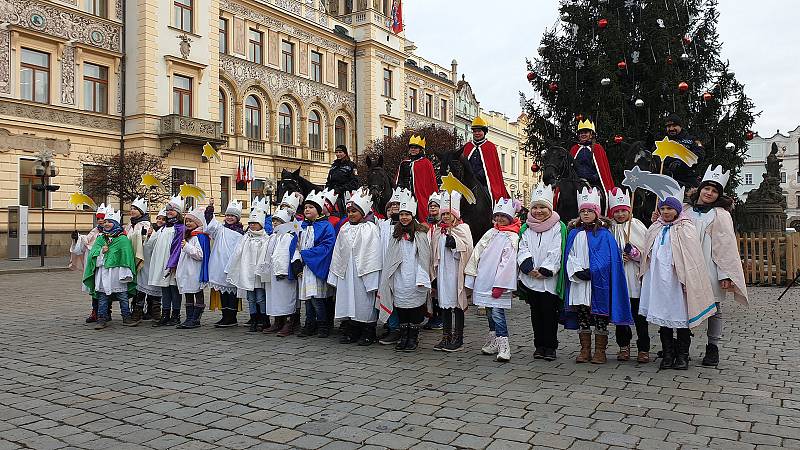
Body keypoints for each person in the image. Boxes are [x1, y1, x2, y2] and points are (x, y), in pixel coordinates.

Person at [639, 194, 716, 370]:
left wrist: (687, 278)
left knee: (680, 316)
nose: (665, 212)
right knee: (663, 316)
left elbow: (691, 255)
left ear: (677, 210)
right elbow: (648, 252)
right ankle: (667, 354)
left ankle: (682, 355)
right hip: (658, 279)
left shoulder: (686, 227)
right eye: (663, 208)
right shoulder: (655, 228)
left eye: (669, 208)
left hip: (677, 280)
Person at [686, 166, 748, 366]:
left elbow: (726, 246)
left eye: (714, 191)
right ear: (700, 189)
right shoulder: (685, 210)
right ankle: (681, 345)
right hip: (687, 265)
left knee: (714, 308)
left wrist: (725, 274)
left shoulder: (721, 214)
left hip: (710, 266)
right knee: (683, 305)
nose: (709, 193)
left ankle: (712, 347)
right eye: (707, 189)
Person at [563, 187, 633, 364]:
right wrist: (577, 270)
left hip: (598, 282)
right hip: (579, 281)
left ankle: (600, 351)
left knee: (600, 315)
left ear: (597, 213)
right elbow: (569, 255)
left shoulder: (604, 235)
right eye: (583, 211)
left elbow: (609, 259)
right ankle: (585, 349)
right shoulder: (574, 233)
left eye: (589, 211)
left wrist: (594, 271)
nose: (586, 214)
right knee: (583, 315)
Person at [465, 198, 520, 362]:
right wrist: (473, 273)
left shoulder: (512, 237)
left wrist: (501, 284)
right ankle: (494, 340)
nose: (500, 219)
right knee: (489, 312)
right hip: (484, 279)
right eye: (498, 216)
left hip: (497, 283)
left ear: (510, 217)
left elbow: (508, 262)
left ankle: (504, 345)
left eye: (504, 216)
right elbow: (477, 252)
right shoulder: (491, 233)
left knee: (497, 313)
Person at [517, 184, 567, 361]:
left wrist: (546, 270)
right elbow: (522, 247)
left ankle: (550, 346)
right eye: (535, 207)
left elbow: (557, 249)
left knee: (549, 313)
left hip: (548, 279)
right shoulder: (526, 228)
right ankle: (539, 345)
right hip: (531, 277)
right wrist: (528, 267)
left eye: (542, 207)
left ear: (549, 208)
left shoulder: (557, 227)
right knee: (535, 312)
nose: (538, 211)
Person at [378, 192, 432, 351]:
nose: (404, 217)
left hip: (416, 275)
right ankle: (403, 335)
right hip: (400, 276)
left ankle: (413, 337)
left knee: (415, 307)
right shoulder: (396, 234)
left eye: (407, 214)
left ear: (412, 215)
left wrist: (422, 276)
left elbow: (425, 255)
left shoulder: (421, 233)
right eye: (401, 214)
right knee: (401, 306)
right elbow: (390, 257)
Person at [329, 188, 383, 345]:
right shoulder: (344, 228)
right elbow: (338, 251)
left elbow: (374, 252)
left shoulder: (370, 229)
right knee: (348, 300)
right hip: (347, 270)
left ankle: (368, 330)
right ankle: (353, 328)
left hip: (363, 272)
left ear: (363, 212)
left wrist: (372, 274)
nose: (351, 214)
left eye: (354, 211)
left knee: (363, 301)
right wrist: (337, 271)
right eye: (349, 211)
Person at [606, 188, 650, 363]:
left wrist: (634, 254)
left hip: (636, 278)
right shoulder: (609, 229)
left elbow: (648, 251)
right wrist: (617, 257)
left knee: (640, 317)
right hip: (619, 279)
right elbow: (605, 252)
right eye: (617, 211)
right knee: (621, 316)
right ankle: (623, 346)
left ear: (629, 211)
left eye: (624, 210)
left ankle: (643, 348)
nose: (621, 214)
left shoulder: (638, 226)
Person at [431, 191, 473, 352]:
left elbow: (468, 249)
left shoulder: (463, 228)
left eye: (449, 213)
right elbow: (434, 252)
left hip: (456, 273)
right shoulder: (438, 231)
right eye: (444, 214)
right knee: (445, 304)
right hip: (443, 273)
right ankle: (446, 336)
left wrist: (455, 244)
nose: (446, 217)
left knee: (457, 304)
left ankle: (458, 337)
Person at [82, 207, 137, 330]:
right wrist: (101, 252)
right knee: (102, 296)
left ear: (116, 223)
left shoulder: (123, 239)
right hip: (104, 272)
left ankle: (126, 317)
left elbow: (127, 256)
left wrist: (126, 273)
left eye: (109, 221)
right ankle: (102, 319)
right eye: (105, 222)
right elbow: (93, 254)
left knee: (122, 296)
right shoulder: (101, 238)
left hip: (118, 273)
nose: (106, 224)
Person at [297, 191, 337, 338]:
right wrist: (296, 260)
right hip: (305, 268)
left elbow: (328, 246)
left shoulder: (326, 226)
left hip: (316, 267)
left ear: (318, 210)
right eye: (305, 207)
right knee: (307, 298)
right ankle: (309, 323)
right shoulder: (300, 226)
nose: (307, 209)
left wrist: (306, 255)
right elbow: (295, 244)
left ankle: (323, 325)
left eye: (311, 207)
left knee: (317, 298)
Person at [226, 204, 272, 332]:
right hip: (247, 273)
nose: (252, 225)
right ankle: (254, 318)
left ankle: (264, 319)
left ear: (261, 224)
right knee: (250, 298)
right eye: (250, 223)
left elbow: (266, 256)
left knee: (260, 298)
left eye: (255, 223)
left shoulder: (265, 239)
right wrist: (232, 268)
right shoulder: (246, 238)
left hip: (258, 274)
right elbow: (237, 253)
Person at [204, 199, 245, 328]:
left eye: (232, 216)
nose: (229, 218)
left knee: (232, 293)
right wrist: (210, 208)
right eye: (227, 215)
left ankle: (232, 317)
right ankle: (225, 316)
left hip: (232, 265)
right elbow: (210, 222)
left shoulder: (241, 233)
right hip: (219, 264)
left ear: (237, 218)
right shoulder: (220, 229)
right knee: (223, 292)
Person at [259, 209, 300, 335]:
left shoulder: (289, 236)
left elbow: (293, 253)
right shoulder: (272, 237)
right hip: (272, 272)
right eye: (274, 221)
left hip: (284, 273)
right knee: (274, 298)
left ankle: (290, 323)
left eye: (278, 221)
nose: (275, 223)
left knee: (286, 297)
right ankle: (278, 321)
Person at [149, 196, 186, 327]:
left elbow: (177, 247)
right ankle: (165, 315)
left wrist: (172, 264)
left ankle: (175, 315)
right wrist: (150, 235)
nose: (169, 212)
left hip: (172, 263)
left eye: (172, 210)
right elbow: (154, 244)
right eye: (168, 210)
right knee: (164, 289)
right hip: (161, 261)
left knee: (174, 289)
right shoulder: (164, 227)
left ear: (178, 212)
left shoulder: (180, 227)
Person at [174, 207, 211, 329]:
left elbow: (200, 255)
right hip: (186, 270)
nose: (188, 223)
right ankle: (189, 318)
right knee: (188, 294)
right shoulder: (188, 236)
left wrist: (187, 247)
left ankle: (195, 319)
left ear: (198, 223)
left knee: (197, 293)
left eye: (191, 221)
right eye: (187, 221)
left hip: (195, 270)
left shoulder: (200, 236)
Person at [70, 203, 107, 323]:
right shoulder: (94, 231)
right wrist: (77, 237)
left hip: (105, 265)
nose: (101, 221)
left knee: (105, 288)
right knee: (94, 288)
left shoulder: (113, 232)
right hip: (93, 265)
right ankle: (95, 311)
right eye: (99, 219)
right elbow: (84, 245)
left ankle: (106, 312)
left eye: (103, 218)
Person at [377, 188, 404, 346]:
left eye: (398, 205)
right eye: (391, 205)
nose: (394, 207)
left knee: (399, 298)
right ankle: (391, 326)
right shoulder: (382, 225)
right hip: (384, 266)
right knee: (387, 297)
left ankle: (399, 329)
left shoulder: (406, 226)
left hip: (400, 268)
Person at [463, 116, 509, 202]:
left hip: (484, 182)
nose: (477, 133)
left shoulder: (490, 147)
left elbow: (492, 168)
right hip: (468, 182)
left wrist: (478, 175)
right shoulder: (467, 146)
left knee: (489, 198)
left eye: (479, 131)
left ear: (484, 132)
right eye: (475, 131)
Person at [124, 198, 152, 326]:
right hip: (131, 256)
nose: (132, 211)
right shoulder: (130, 224)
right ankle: (136, 308)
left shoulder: (145, 224)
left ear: (141, 211)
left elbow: (146, 240)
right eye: (132, 208)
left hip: (143, 257)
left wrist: (144, 235)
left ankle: (141, 310)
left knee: (143, 284)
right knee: (136, 284)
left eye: (135, 209)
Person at [396, 135, 438, 221]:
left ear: (420, 150)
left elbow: (431, 182)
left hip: (421, 195)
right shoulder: (404, 163)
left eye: (416, 148)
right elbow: (399, 178)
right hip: (405, 194)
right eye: (411, 147)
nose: (413, 149)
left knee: (423, 216)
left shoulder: (426, 163)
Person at [570, 119, 615, 194]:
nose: (583, 134)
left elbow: (602, 169)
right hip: (576, 183)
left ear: (591, 134)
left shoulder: (597, 148)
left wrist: (594, 177)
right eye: (581, 133)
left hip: (593, 183)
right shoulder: (574, 149)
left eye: (585, 132)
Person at [660, 113, 705, 188]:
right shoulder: (662, 141)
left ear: (680, 126)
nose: (671, 129)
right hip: (666, 177)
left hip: (687, 177)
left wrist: (681, 163)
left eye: (674, 126)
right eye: (668, 126)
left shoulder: (691, 140)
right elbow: (656, 158)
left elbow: (700, 154)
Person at [139, 209, 165, 322]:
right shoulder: (152, 229)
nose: (160, 221)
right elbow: (146, 246)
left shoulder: (166, 230)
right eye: (158, 218)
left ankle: (155, 311)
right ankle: (142, 310)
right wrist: (148, 236)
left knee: (156, 288)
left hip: (159, 263)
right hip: (148, 262)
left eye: (163, 219)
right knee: (145, 285)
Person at [424, 192, 443, 330]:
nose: (432, 208)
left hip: (440, 262)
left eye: (435, 206)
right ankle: (432, 315)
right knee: (431, 291)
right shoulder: (425, 225)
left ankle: (441, 317)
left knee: (439, 289)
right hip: (428, 261)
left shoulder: (443, 225)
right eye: (430, 206)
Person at [326, 144, 359, 215]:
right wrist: (327, 190)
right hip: (332, 194)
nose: (338, 154)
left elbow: (354, 182)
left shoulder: (351, 165)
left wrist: (341, 189)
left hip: (345, 195)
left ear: (345, 153)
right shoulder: (334, 166)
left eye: (340, 152)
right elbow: (329, 180)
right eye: (336, 152)